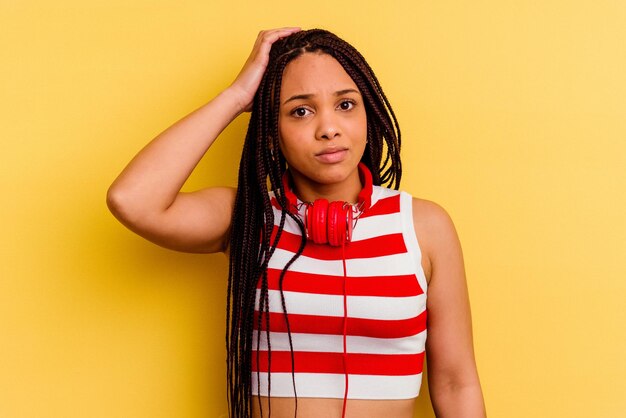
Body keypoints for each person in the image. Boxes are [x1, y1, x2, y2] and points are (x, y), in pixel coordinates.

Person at [107, 27, 486, 418]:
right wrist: (237, 96)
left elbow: (456, 381)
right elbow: (132, 200)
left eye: (345, 105)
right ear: (272, 130)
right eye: (300, 111)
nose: (328, 128)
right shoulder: (248, 218)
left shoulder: (425, 227)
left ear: (368, 113)